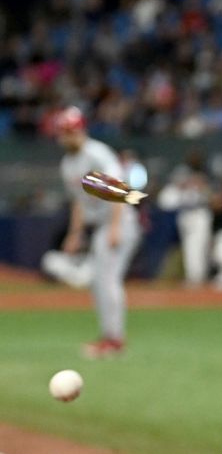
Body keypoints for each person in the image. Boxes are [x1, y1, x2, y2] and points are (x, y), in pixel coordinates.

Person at [55, 106, 142, 359]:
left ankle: (114, 340)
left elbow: (118, 190)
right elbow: (79, 202)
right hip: (103, 225)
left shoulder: (97, 154)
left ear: (81, 130)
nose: (66, 136)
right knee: (99, 281)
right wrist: (75, 234)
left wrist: (115, 228)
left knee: (108, 280)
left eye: (70, 131)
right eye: (63, 132)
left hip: (120, 221)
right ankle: (109, 337)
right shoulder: (68, 164)